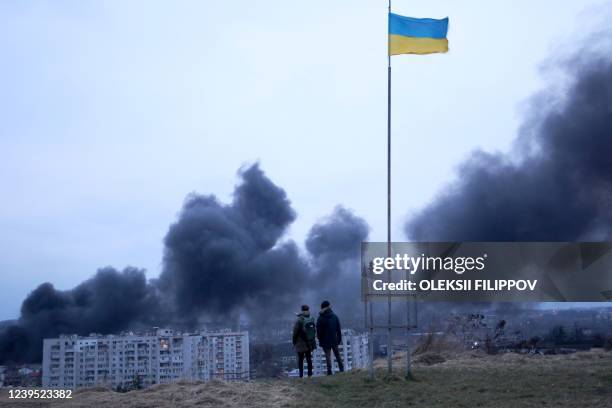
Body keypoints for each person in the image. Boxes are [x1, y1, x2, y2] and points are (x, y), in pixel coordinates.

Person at [316, 300, 344, 375]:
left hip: (325, 341)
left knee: (327, 356)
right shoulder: (334, 316)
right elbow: (338, 329)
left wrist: (320, 340)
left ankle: (329, 371)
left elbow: (318, 331)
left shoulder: (320, 318)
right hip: (334, 339)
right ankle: (342, 369)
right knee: (337, 355)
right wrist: (339, 339)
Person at [292, 304, 316, 378]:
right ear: (308, 310)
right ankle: (310, 374)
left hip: (300, 342)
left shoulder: (299, 320)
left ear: (302, 310)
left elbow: (295, 332)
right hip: (309, 341)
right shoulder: (311, 318)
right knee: (309, 358)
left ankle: (301, 375)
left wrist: (294, 342)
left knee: (300, 359)